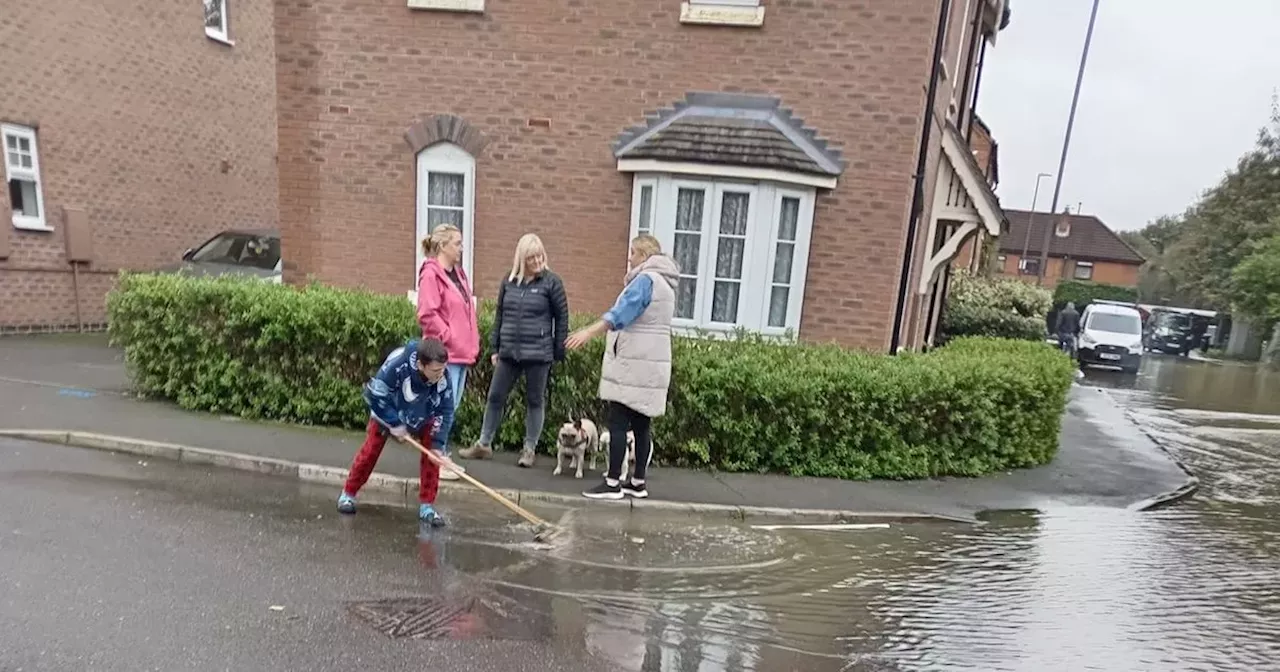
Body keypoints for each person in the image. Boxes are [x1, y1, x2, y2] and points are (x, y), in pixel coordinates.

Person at [565, 234, 678, 500]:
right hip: (651, 365)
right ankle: (637, 481)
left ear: (644, 256)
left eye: (633, 253)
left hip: (632, 364)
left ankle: (613, 481)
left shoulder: (645, 280)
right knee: (641, 424)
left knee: (617, 421)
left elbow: (621, 315)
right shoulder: (666, 284)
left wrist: (588, 333)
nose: (629, 258)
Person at [458, 233, 569, 468]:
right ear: (522, 259)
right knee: (495, 396)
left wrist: (558, 351)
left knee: (534, 401)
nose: (537, 261)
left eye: (539, 256)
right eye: (531, 258)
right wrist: (495, 347)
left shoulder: (552, 282)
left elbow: (562, 319)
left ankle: (529, 449)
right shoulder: (509, 281)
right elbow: (500, 315)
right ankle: (484, 444)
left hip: (539, 354)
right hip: (509, 351)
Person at [337, 338, 455, 527]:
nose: (441, 375)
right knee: (370, 451)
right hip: (389, 410)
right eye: (435, 371)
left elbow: (446, 411)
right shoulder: (396, 367)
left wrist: (438, 445)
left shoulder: (443, 376)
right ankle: (348, 494)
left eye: (443, 369)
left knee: (432, 457)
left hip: (424, 412)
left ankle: (427, 506)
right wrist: (394, 423)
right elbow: (375, 396)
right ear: (420, 365)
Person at [417, 223, 480, 479]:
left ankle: (440, 453)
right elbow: (427, 313)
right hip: (445, 355)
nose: (461, 248)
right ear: (443, 245)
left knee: (450, 407)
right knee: (442, 408)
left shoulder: (459, 274)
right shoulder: (431, 274)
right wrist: (448, 337)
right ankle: (436, 456)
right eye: (457, 243)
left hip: (462, 353)